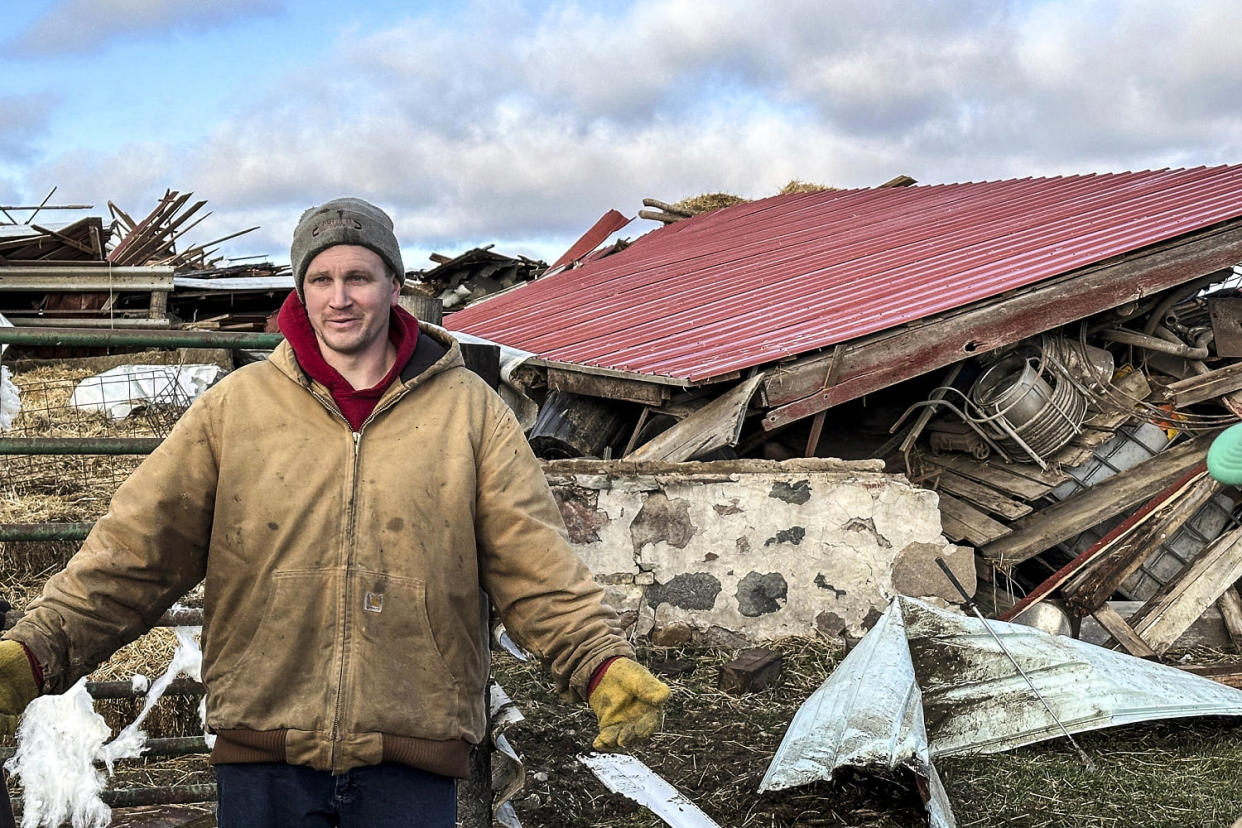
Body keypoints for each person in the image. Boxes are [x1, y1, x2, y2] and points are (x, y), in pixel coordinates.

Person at [0, 198, 670, 826]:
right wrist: (35, 653)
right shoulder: (234, 411)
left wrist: (597, 661)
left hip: (410, 750)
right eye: (320, 279)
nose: (340, 297)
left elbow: (533, 562)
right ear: (301, 290)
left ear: (393, 285)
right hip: (266, 753)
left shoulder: (469, 412)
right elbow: (133, 554)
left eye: (360, 276)